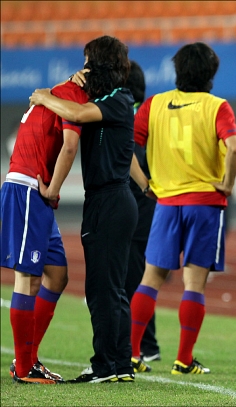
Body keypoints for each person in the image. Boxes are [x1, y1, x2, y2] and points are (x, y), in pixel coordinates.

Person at [30, 35, 141, 383]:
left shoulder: (119, 98)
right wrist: (69, 85)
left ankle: (105, 365)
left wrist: (46, 96)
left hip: (108, 201)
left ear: (100, 64)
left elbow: (75, 112)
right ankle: (121, 363)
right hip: (112, 200)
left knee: (102, 289)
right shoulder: (110, 99)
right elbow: (81, 108)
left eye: (88, 60)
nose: (84, 67)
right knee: (113, 288)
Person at [128, 42, 236, 376]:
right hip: (204, 204)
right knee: (194, 284)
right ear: (211, 73)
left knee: (150, 279)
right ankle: (183, 359)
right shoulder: (217, 106)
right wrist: (228, 183)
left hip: (165, 203)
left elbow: (127, 147)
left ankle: (133, 355)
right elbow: (233, 147)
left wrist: (145, 183)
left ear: (178, 70)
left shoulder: (155, 104)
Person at [2, 72, 89, 385]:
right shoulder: (73, 94)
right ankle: (24, 368)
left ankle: (28, 357)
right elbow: (69, 147)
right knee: (27, 279)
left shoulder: (57, 91)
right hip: (29, 188)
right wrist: (53, 188)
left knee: (56, 274)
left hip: (34, 192)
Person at [123, 60, 161, 363]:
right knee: (141, 275)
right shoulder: (151, 113)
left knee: (134, 277)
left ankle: (144, 346)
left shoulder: (127, 114)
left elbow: (131, 160)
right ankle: (146, 345)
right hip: (150, 204)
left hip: (136, 201)